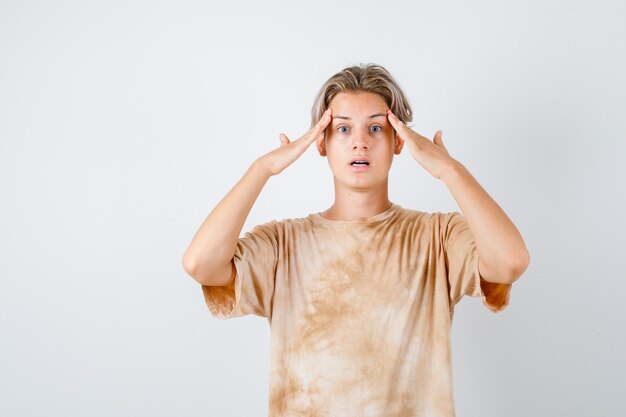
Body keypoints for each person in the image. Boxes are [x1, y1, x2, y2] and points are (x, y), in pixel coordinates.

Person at [182, 63, 530, 417]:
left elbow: (510, 260)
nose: (360, 142)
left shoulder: (436, 238)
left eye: (375, 128)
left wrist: (449, 170)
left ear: (399, 141)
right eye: (343, 128)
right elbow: (201, 264)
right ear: (321, 142)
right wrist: (262, 169)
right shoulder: (283, 244)